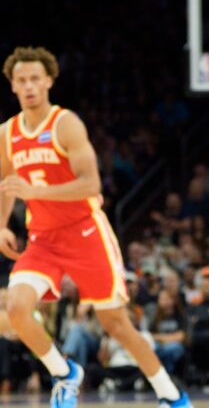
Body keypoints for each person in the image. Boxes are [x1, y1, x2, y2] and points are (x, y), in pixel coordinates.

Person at [0, 46, 191, 408]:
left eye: (34, 79)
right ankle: (64, 372)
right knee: (16, 308)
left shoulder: (65, 124)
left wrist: (34, 190)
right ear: (12, 85)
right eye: (21, 80)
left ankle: (172, 396)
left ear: (48, 81)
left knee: (116, 324)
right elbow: (5, 182)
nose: (28, 86)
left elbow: (91, 185)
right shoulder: (7, 133)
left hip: (86, 233)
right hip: (42, 239)